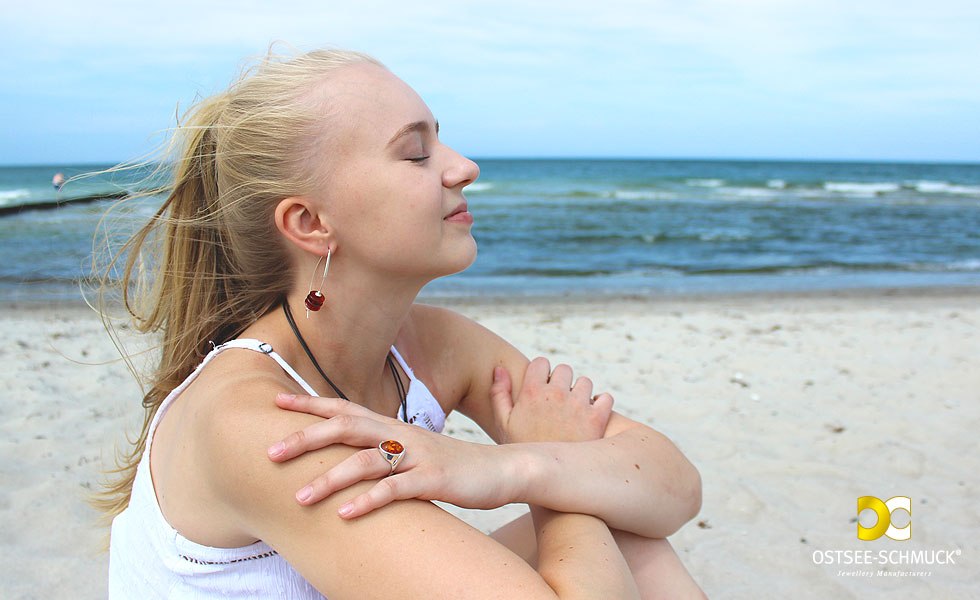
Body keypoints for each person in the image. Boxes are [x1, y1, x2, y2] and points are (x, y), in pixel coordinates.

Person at [99, 47, 705, 599]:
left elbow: (676, 488)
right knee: (602, 522)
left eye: (440, 142)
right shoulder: (260, 425)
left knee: (635, 539)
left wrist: (512, 466)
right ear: (310, 223)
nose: (463, 166)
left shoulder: (433, 343)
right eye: (416, 153)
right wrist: (559, 471)